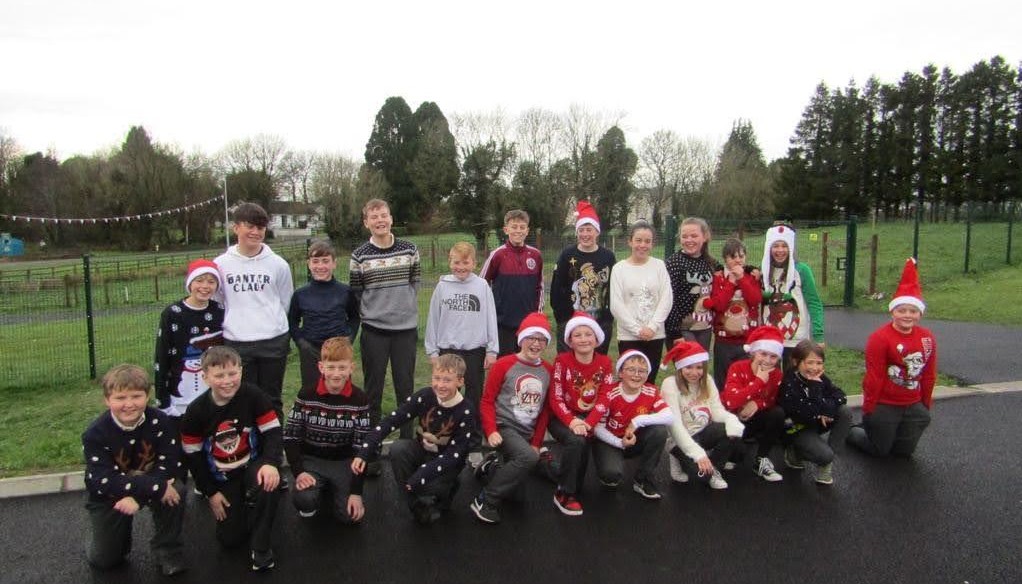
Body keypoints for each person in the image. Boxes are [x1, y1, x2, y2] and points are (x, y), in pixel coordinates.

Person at [180, 346, 283, 572]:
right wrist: (211, 493)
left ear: (241, 371)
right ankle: (244, 506)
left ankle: (261, 546)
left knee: (269, 483)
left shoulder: (253, 395)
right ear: (205, 377)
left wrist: (270, 463)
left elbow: (273, 432)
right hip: (222, 477)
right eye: (219, 375)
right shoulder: (195, 411)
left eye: (232, 373)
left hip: (251, 465)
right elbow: (193, 457)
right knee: (230, 540)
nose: (227, 381)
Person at [82, 365, 186, 576]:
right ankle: (107, 537)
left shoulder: (161, 421)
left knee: (177, 489)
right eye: (120, 398)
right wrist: (152, 487)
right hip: (109, 494)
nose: (129, 404)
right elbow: (104, 481)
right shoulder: (95, 434)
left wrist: (138, 499)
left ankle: (167, 549)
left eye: (136, 396)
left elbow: (170, 463)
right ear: (107, 400)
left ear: (147, 396)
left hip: (153, 483)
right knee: (105, 560)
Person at [353, 354, 480, 525]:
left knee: (427, 485)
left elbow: (454, 454)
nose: (440, 385)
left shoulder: (466, 410)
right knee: (398, 449)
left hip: (448, 462)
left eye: (447, 380)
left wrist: (419, 477)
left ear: (460, 381)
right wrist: (364, 451)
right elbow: (392, 420)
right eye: (437, 378)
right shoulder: (425, 396)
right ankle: (416, 504)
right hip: (421, 450)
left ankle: (445, 489)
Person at [847, 258, 937, 457]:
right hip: (885, 403)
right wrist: (870, 407)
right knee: (879, 451)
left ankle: (893, 430)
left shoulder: (927, 338)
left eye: (913, 311)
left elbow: (929, 374)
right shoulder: (880, 338)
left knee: (903, 453)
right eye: (901, 310)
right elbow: (874, 376)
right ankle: (851, 430)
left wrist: (925, 404)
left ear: (919, 314)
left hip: (912, 403)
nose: (907, 315)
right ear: (892, 311)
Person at [214, 202, 294, 425]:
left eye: (260, 228)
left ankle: (274, 454)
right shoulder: (220, 265)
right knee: (242, 400)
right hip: (237, 342)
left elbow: (285, 300)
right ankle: (247, 451)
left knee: (271, 400)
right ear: (236, 227)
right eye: (250, 226)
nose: (256, 232)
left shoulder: (278, 264)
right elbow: (218, 301)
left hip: (273, 341)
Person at [471, 312, 554, 524]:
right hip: (504, 427)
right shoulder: (503, 365)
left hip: (526, 434)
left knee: (517, 496)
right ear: (521, 339)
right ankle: (485, 500)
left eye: (541, 339)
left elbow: (545, 409)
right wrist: (491, 431)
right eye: (530, 338)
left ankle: (491, 468)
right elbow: (487, 401)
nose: (535, 344)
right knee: (528, 458)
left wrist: (537, 443)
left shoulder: (548, 371)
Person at [349, 198, 421, 439]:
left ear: (391, 218)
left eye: (383, 215)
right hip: (374, 332)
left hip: (405, 331)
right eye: (374, 216)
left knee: (405, 389)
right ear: (366, 222)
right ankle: (372, 446)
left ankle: (406, 442)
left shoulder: (409, 250)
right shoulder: (359, 256)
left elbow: (415, 283)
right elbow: (357, 293)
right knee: (373, 391)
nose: (380, 220)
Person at [284, 337, 370, 522]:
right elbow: (290, 436)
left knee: (350, 517)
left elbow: (361, 449)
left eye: (342, 367)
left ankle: (337, 489)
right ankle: (319, 492)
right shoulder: (306, 394)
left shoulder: (360, 399)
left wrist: (356, 492)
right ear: (321, 367)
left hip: (343, 462)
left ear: (351, 368)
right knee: (304, 500)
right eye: (331, 367)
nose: (336, 374)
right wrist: (299, 472)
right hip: (313, 461)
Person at [545, 311, 615, 515]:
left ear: (597, 338)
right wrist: (572, 421)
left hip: (590, 419)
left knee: (577, 472)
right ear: (569, 340)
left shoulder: (605, 363)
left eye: (588, 334)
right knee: (577, 442)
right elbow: (555, 398)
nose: (583, 339)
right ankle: (563, 493)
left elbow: (605, 397)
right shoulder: (562, 361)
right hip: (562, 417)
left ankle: (545, 464)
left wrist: (589, 422)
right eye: (578, 335)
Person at [584, 350, 673, 500]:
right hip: (610, 440)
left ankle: (643, 479)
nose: (637, 374)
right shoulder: (609, 393)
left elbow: (670, 416)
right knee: (611, 478)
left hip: (633, 439)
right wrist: (619, 443)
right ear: (620, 373)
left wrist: (637, 421)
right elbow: (597, 427)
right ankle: (605, 462)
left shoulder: (650, 391)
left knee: (659, 431)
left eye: (642, 371)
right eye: (631, 369)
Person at [424, 241, 499, 409]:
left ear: (474, 263)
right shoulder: (443, 286)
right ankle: (446, 429)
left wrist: (492, 350)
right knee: (447, 391)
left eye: (466, 263)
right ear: (450, 262)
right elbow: (433, 319)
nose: (461, 267)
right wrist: (432, 351)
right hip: (448, 350)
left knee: (474, 393)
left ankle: (473, 431)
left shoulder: (482, 286)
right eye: (456, 262)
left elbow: (491, 318)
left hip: (474, 351)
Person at [659, 341, 743, 490]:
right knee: (702, 476)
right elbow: (675, 425)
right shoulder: (669, 384)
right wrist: (698, 454)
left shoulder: (707, 381)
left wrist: (731, 420)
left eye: (699, 367)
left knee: (732, 432)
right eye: (689, 367)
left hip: (703, 432)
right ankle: (678, 457)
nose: (694, 373)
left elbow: (717, 411)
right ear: (679, 367)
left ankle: (714, 469)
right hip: (680, 438)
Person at [154, 259, 224, 419]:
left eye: (211, 282)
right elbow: (161, 356)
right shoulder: (172, 314)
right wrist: (162, 400)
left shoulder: (219, 311)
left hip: (212, 393)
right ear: (190, 283)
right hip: (180, 396)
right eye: (199, 280)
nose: (205, 286)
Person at [288, 240, 359, 393]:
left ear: (334, 263)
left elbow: (354, 317)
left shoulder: (345, 291)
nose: (320, 266)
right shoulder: (300, 294)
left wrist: (348, 339)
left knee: (340, 390)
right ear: (309, 264)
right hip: (311, 351)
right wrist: (302, 343)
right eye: (315, 261)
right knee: (312, 391)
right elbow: (292, 321)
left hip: (339, 351)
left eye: (325, 261)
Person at [778, 340, 851, 484]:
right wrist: (814, 388)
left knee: (844, 411)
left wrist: (828, 410)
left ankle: (828, 459)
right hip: (796, 429)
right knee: (823, 454)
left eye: (819, 363)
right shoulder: (789, 383)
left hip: (815, 423)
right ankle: (793, 453)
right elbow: (806, 414)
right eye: (810, 362)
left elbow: (840, 396)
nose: (815, 367)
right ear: (795, 362)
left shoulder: (821, 378)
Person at [610, 219, 673, 384]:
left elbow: (666, 298)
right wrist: (638, 330)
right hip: (629, 335)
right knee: (630, 380)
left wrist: (652, 327)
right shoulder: (619, 269)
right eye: (638, 240)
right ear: (630, 241)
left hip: (655, 335)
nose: (642, 245)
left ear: (652, 244)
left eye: (647, 241)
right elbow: (616, 304)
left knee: (648, 379)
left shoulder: (659, 266)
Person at [721, 326, 786, 483]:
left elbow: (771, 400)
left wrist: (757, 403)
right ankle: (733, 450)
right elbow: (731, 401)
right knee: (736, 455)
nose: (768, 360)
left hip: (754, 419)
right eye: (763, 354)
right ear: (753, 352)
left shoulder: (777, 374)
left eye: (773, 357)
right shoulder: (737, 367)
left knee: (777, 413)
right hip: (731, 419)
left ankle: (761, 459)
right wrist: (759, 381)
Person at [549, 200, 616, 354]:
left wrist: (608, 318)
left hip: (600, 320)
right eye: (582, 230)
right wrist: (564, 318)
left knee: (596, 363)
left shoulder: (608, 257)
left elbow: (613, 288)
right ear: (577, 232)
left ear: (597, 232)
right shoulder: (567, 255)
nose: (585, 234)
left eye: (589, 229)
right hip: (571, 320)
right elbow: (557, 288)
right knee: (569, 363)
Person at [481, 209, 544, 356]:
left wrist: (538, 314)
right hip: (503, 323)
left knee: (526, 362)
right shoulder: (497, 255)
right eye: (514, 227)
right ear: (506, 229)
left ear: (527, 231)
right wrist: (490, 312)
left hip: (527, 322)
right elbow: (481, 285)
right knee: (505, 365)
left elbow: (540, 287)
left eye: (522, 227)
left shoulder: (535, 255)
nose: (518, 231)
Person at [760, 223, 824, 367]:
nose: (780, 250)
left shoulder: (802, 271)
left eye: (784, 246)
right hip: (770, 340)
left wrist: (818, 335)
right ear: (769, 247)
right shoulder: (762, 272)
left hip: (796, 340)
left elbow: (814, 303)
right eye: (776, 246)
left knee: (794, 381)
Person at [704, 238, 762, 388]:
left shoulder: (751, 277)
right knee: (723, 379)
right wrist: (730, 283)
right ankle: (724, 406)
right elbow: (719, 305)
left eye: (741, 256)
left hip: (746, 340)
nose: (737, 260)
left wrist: (742, 278)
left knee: (745, 377)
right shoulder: (719, 278)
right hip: (724, 340)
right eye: (733, 257)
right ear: (725, 259)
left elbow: (755, 299)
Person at [664, 217, 717, 350]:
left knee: (701, 368)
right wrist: (675, 333)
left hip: (704, 326)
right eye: (684, 236)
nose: (689, 240)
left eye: (694, 236)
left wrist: (751, 270)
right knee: (689, 367)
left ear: (705, 237)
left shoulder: (710, 262)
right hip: (682, 328)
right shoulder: (674, 263)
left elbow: (729, 270)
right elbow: (669, 300)